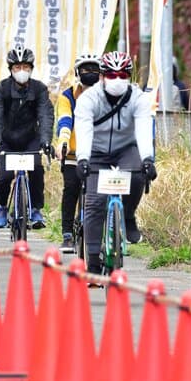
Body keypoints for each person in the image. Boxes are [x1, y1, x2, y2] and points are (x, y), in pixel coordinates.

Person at [75, 51, 157, 276]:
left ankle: (128, 216)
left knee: (139, 174)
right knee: (94, 203)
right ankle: (92, 257)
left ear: (129, 77)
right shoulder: (88, 99)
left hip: (125, 149)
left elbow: (142, 129)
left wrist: (148, 159)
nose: (117, 80)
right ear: (102, 76)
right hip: (96, 151)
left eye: (122, 75)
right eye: (111, 75)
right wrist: (83, 159)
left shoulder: (139, 98)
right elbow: (83, 130)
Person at [0, 46, 54, 229]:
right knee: (4, 178)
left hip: (30, 138)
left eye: (25, 67)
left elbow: (45, 115)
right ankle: (2, 207)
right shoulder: (1, 89)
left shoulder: (39, 89)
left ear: (31, 68)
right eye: (17, 67)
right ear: (10, 69)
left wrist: (46, 140)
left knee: (37, 171)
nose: (21, 71)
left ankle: (35, 210)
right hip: (6, 140)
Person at [55, 53, 101, 252]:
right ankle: (67, 233)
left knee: (97, 194)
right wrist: (63, 141)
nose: (90, 73)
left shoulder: (105, 96)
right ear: (77, 73)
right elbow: (65, 119)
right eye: (85, 70)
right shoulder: (67, 96)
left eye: (94, 70)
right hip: (73, 153)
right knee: (71, 188)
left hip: (98, 153)